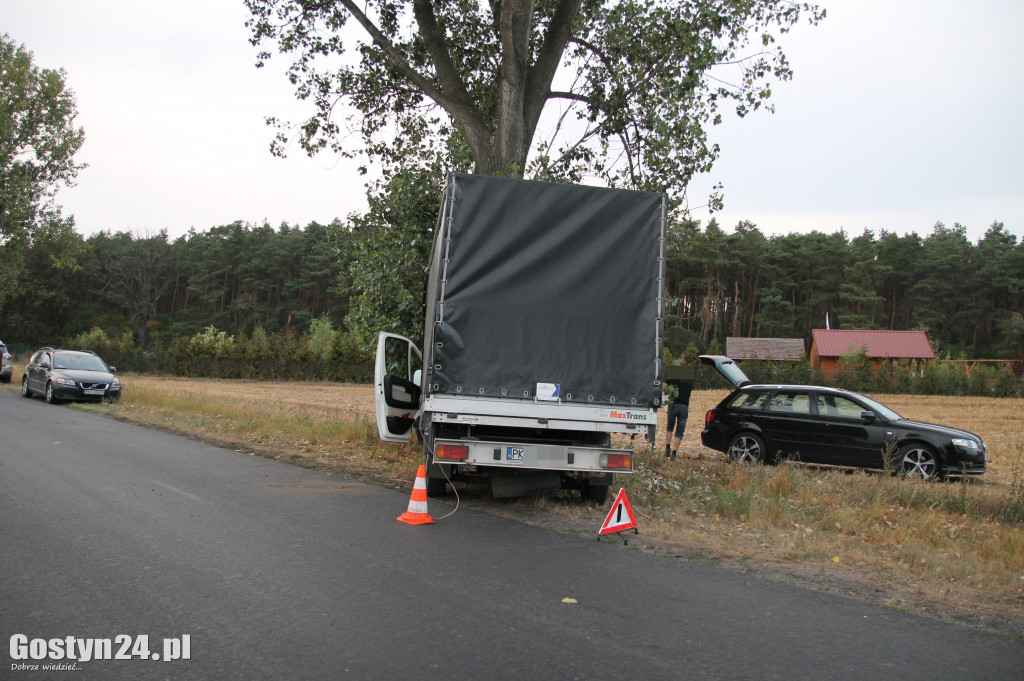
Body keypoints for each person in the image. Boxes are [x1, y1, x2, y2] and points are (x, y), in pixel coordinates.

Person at [664, 379, 693, 460]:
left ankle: (667, 448)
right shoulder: (689, 380)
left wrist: (666, 397)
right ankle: (674, 453)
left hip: (673, 404)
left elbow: (664, 386)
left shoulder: (674, 376)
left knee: (670, 427)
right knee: (680, 431)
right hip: (684, 406)